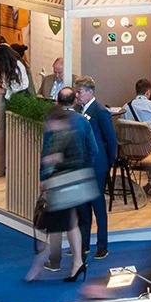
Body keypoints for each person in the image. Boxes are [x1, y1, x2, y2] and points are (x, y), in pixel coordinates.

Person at [31, 94, 94, 282]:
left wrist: (46, 174)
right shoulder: (79, 125)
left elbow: (52, 159)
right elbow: (92, 150)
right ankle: (77, 262)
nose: (47, 126)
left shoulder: (61, 137)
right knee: (71, 225)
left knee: (59, 225)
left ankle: (55, 262)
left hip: (64, 188)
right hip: (74, 186)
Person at [76, 80, 117, 259]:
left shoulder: (100, 112)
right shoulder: (79, 111)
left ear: (90, 92)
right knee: (83, 207)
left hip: (97, 166)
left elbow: (111, 140)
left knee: (98, 205)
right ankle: (83, 244)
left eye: (80, 92)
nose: (77, 96)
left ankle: (102, 244)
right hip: (83, 165)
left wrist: (108, 163)